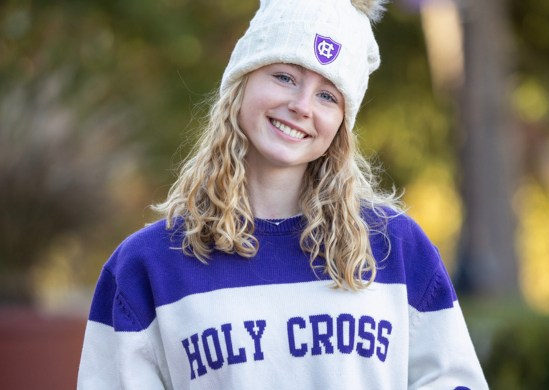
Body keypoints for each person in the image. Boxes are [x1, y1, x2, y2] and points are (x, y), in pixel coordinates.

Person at [78, 0, 488, 389]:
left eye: (327, 95)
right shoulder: (144, 269)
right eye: (285, 77)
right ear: (241, 84)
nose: (301, 106)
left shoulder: (397, 251)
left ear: (342, 125)